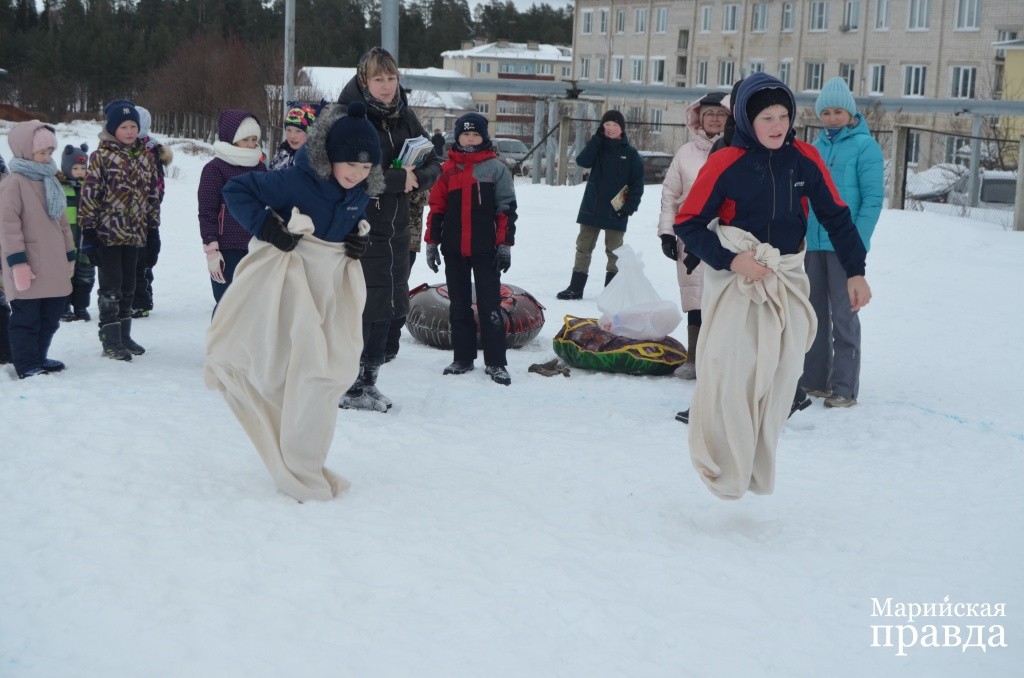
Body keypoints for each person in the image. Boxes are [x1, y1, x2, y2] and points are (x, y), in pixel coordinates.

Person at [674, 73, 872, 500]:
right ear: (748, 118)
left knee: (782, 376)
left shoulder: (803, 158)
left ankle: (756, 466)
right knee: (733, 373)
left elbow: (836, 215)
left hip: (786, 273)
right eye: (767, 116)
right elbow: (687, 223)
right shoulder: (725, 161)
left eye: (784, 115)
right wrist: (733, 259)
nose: (778, 124)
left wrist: (855, 270)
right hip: (736, 279)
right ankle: (725, 466)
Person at [209, 101, 382, 502]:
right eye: (349, 165)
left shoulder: (360, 189)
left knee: (332, 374)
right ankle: (300, 466)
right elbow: (235, 190)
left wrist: (359, 237)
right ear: (329, 157)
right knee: (304, 375)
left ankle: (302, 456)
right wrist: (268, 227)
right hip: (294, 287)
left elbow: (349, 221)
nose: (356, 175)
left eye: (365, 168)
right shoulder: (297, 181)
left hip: (332, 292)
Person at [336, 46, 442, 412]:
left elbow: (434, 160)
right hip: (358, 227)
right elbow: (346, 173)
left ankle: (369, 381)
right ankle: (348, 384)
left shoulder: (403, 115)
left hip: (396, 229)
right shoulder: (348, 115)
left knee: (387, 308)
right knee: (359, 309)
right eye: (378, 79)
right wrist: (400, 179)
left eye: (391, 78)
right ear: (364, 80)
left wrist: (416, 179)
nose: (386, 86)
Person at [801, 77, 884, 409]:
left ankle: (844, 387)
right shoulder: (816, 149)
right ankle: (815, 380)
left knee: (844, 313)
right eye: (827, 112)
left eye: (839, 111)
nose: (833, 118)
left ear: (850, 113)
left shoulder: (866, 147)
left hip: (844, 245)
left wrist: (857, 243)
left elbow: (873, 200)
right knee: (814, 312)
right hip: (814, 243)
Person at [425, 112, 517, 385]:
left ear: (484, 137)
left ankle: (496, 362)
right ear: (458, 136)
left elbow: (506, 210)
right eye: (465, 134)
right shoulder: (446, 170)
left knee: (490, 306)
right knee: (459, 306)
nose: (470, 138)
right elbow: (436, 209)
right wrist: (432, 243)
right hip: (453, 249)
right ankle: (463, 358)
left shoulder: (495, 169)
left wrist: (504, 245)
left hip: (485, 248)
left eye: (475, 134)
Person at [78, 99, 161, 361]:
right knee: (111, 288)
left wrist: (153, 231)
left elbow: (151, 197)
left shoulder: (145, 157)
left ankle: (124, 335)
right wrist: (89, 233)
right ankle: (110, 339)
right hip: (108, 236)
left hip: (136, 234)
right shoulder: (100, 157)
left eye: (133, 126)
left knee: (129, 286)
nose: (129, 131)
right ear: (113, 129)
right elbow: (89, 195)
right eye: (123, 126)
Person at [658, 92, 728, 386]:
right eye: (709, 113)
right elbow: (670, 194)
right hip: (691, 234)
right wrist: (666, 232)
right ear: (698, 117)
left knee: (724, 298)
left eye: (720, 114)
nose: (713, 119)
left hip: (725, 235)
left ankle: (722, 359)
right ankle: (693, 359)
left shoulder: (735, 149)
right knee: (695, 296)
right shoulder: (685, 153)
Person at [0, 121, 75, 378]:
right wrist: (17, 261)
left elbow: (63, 222)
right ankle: (26, 364)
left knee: (50, 317)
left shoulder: (50, 180)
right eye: (41, 152)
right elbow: (8, 225)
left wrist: (69, 253)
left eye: (50, 152)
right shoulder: (14, 183)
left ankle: (39, 358)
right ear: (24, 150)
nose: (47, 157)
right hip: (28, 263)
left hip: (53, 262)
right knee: (26, 319)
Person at [556, 110, 644, 300]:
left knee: (614, 252)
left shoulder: (631, 154)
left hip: (616, 210)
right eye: (607, 124)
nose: (611, 129)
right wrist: (596, 140)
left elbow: (637, 185)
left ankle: (610, 293)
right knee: (583, 248)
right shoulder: (597, 147)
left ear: (622, 129)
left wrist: (628, 209)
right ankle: (575, 288)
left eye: (615, 125)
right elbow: (582, 161)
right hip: (592, 207)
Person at [197, 109, 267, 303]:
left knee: (254, 304)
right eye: (245, 140)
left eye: (254, 139)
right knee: (227, 305)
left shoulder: (260, 167)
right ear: (232, 138)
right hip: (227, 248)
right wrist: (212, 250)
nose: (251, 144)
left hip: (257, 245)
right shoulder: (215, 169)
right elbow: (207, 211)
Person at [129, 106, 173, 318]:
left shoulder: (148, 151)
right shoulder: (128, 148)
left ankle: (142, 300)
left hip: (146, 213)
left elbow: (157, 185)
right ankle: (134, 299)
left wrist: (150, 206)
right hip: (128, 214)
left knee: (143, 258)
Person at [58, 143, 95, 322]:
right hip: (66, 241)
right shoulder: (59, 188)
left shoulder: (90, 187)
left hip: (85, 239)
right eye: (75, 168)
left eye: (83, 167)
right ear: (66, 168)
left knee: (85, 274)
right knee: (65, 273)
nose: (80, 171)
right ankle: (63, 306)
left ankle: (80, 306)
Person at [269, 103, 320, 171]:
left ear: (310, 133)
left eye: (298, 131)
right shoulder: (282, 153)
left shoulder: (315, 159)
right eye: (288, 130)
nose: (292, 136)